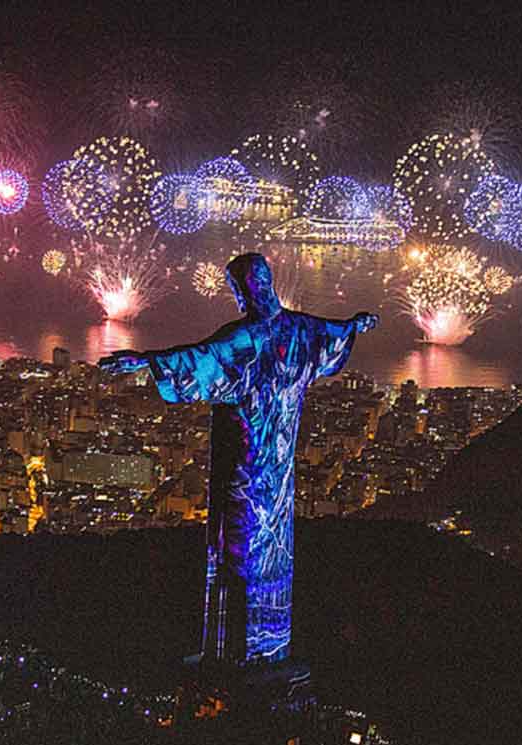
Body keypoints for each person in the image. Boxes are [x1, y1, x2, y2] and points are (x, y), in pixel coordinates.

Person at [99, 253, 378, 666]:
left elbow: (198, 359)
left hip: (245, 463)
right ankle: (269, 645)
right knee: (271, 546)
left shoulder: (244, 339)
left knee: (238, 545)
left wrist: (144, 360)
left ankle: (236, 653)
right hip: (280, 465)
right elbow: (332, 336)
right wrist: (355, 325)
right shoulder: (301, 330)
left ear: (243, 289)